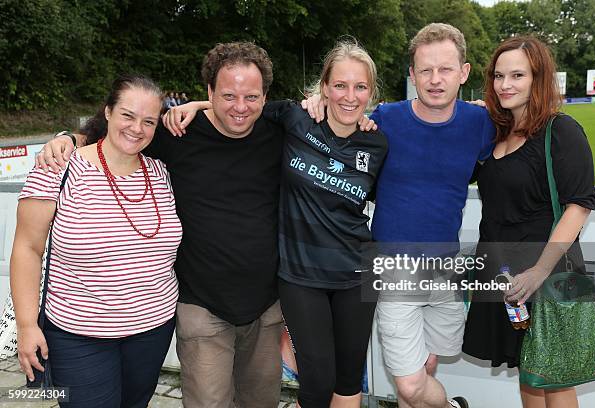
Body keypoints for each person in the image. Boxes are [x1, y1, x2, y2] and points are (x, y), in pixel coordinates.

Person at [36, 42, 285, 408]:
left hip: (267, 307)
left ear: (265, 97)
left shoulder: (279, 128)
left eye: (251, 96)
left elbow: (335, 114)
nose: (240, 107)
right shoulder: (177, 133)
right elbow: (124, 131)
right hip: (202, 308)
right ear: (209, 92)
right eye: (228, 95)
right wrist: (70, 139)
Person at [165, 38, 387, 408]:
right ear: (324, 87)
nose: (350, 96)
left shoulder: (376, 141)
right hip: (289, 279)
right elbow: (238, 106)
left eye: (360, 86)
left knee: (347, 379)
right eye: (340, 85)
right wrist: (194, 105)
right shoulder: (294, 118)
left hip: (348, 273)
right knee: (315, 379)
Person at [343, 23, 494, 408]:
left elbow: (528, 128)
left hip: (445, 268)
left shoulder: (481, 124)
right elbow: (330, 114)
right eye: (425, 70)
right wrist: (200, 105)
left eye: (446, 69)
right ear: (412, 75)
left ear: (464, 72)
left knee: (426, 368)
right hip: (394, 269)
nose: (435, 79)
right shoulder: (385, 119)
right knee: (410, 386)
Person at [12, 74, 181, 407]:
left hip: (152, 330)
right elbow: (27, 249)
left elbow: (228, 108)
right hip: (78, 336)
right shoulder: (59, 168)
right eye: (127, 116)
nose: (137, 128)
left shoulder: (162, 172)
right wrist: (27, 325)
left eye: (148, 121)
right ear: (107, 112)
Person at [462, 36, 595, 408]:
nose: (505, 85)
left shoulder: (561, 132)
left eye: (517, 75)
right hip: (503, 276)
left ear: (538, 78)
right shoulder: (494, 134)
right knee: (530, 374)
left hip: (546, 276)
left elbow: (578, 207)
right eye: (498, 76)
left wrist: (538, 271)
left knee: (554, 379)